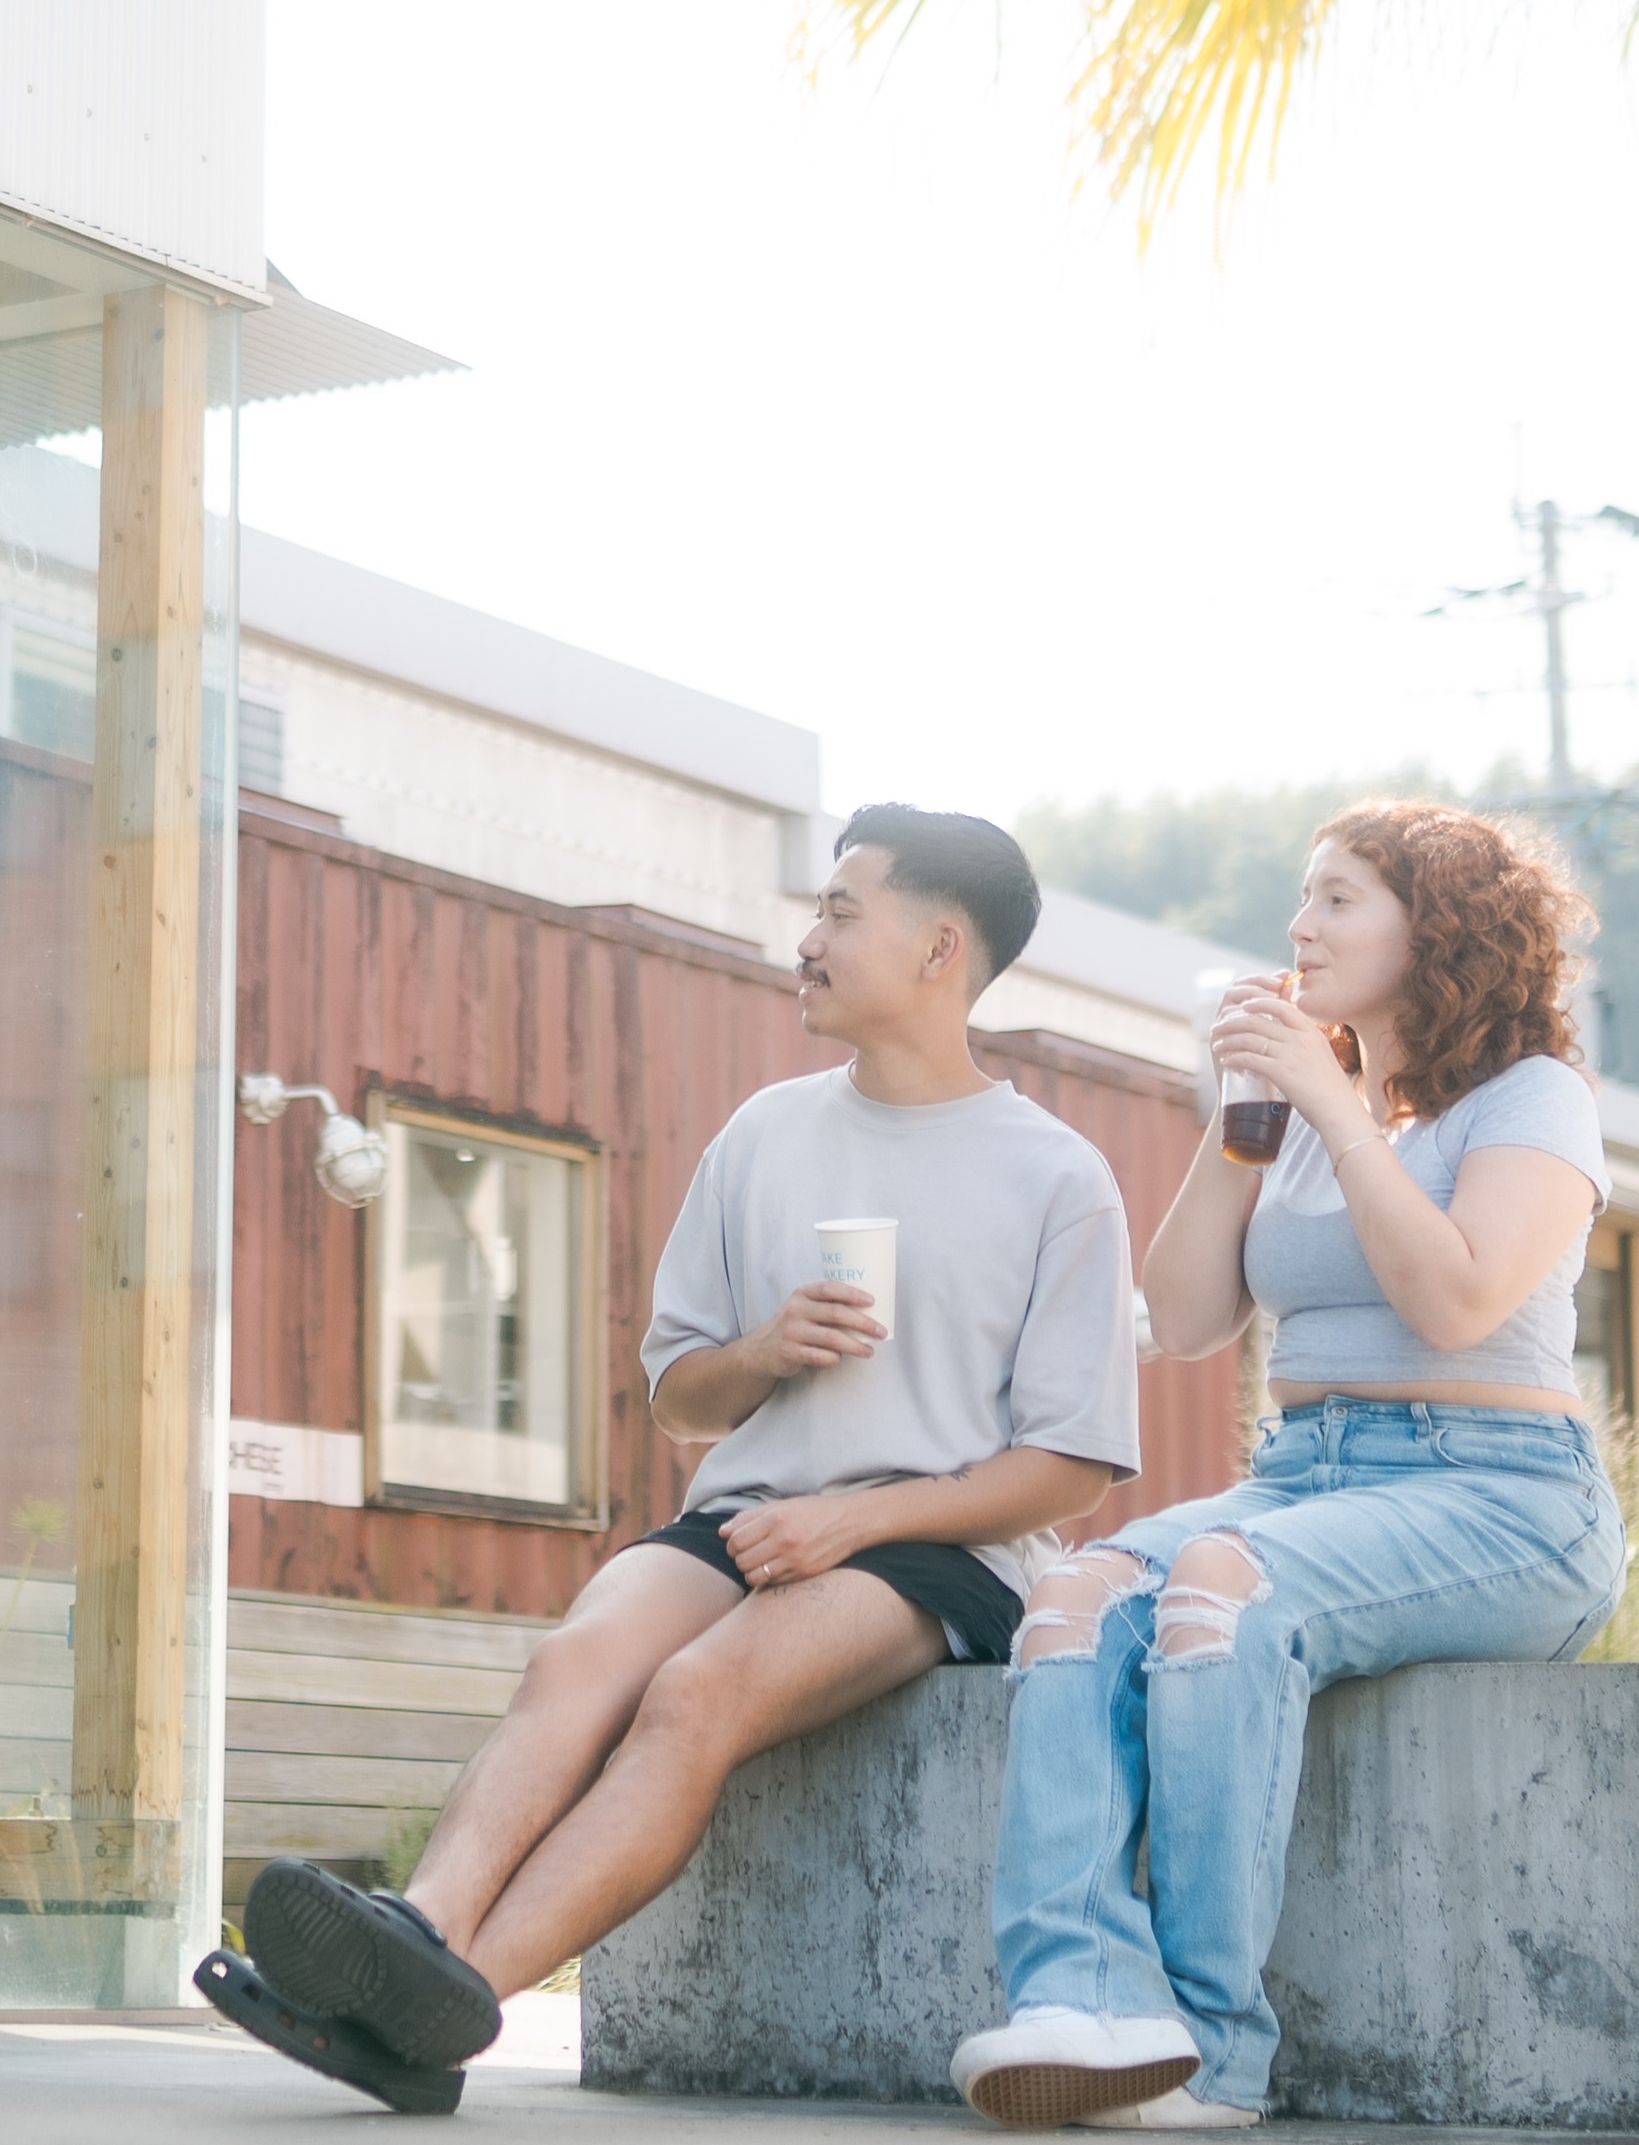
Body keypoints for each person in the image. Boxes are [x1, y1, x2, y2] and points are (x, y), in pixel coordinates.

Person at [205, 804, 1143, 2114]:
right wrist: (765, 1351)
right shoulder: (763, 1132)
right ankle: (413, 1939)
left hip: (940, 1549)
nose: (807, 940)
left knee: (695, 1696)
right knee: (576, 1658)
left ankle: (439, 2011)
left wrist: (852, 1529)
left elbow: (1071, 1469)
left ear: (939, 949)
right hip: (751, 1512)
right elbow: (679, 1399)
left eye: (838, 913)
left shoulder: (1057, 1178)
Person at [949, 801, 1628, 2130]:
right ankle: (1080, 2003)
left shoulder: (1534, 1100)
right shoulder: (1306, 1112)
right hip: (1302, 1477)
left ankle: (1210, 2055)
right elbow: (1191, 1317)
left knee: (1220, 1584)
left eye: (1336, 900)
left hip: (1504, 1493)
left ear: (1434, 930)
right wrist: (1248, 1117)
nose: (1298, 928)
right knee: (1072, 1599)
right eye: (1301, 899)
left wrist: (1330, 1099)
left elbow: (1457, 1299)